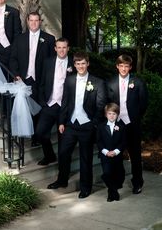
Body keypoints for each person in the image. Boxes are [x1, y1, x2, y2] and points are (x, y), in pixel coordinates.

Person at [47, 51, 107, 199]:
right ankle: (62, 181)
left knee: (85, 158)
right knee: (63, 153)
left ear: (88, 64)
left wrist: (93, 124)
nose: (81, 66)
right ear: (74, 65)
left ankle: (86, 187)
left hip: (87, 126)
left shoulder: (98, 82)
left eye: (83, 63)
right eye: (78, 64)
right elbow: (65, 102)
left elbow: (101, 106)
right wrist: (61, 122)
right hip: (71, 124)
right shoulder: (70, 80)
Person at [9, 11, 56, 145]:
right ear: (27, 22)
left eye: (36, 20)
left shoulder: (49, 39)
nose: (34, 23)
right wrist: (16, 75)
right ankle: (26, 136)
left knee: (39, 108)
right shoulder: (19, 39)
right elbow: (13, 59)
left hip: (40, 80)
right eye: (31, 20)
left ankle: (37, 137)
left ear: (40, 22)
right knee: (27, 109)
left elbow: (52, 61)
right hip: (24, 79)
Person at [106, 54, 148, 194]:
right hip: (116, 125)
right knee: (116, 154)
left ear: (130, 67)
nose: (124, 69)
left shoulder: (138, 82)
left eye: (126, 66)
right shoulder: (110, 83)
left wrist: (134, 117)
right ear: (117, 66)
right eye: (121, 66)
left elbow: (143, 104)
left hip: (132, 124)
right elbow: (108, 103)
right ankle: (118, 180)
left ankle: (137, 183)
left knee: (135, 155)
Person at [36, 37, 74, 165]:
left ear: (68, 48)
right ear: (55, 48)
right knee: (40, 133)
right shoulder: (48, 62)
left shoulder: (74, 63)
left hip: (65, 107)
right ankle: (49, 155)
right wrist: (43, 103)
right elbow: (41, 83)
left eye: (64, 47)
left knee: (62, 138)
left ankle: (63, 167)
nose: (62, 50)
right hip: (50, 104)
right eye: (59, 47)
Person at [97, 102, 126, 202]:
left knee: (118, 175)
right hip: (105, 155)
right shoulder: (101, 127)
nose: (112, 116)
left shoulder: (121, 127)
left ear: (117, 115)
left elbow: (123, 142)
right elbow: (99, 141)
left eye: (114, 114)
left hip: (117, 155)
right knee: (107, 173)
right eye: (109, 113)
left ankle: (112, 191)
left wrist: (116, 151)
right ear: (106, 114)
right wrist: (106, 152)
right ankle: (113, 192)